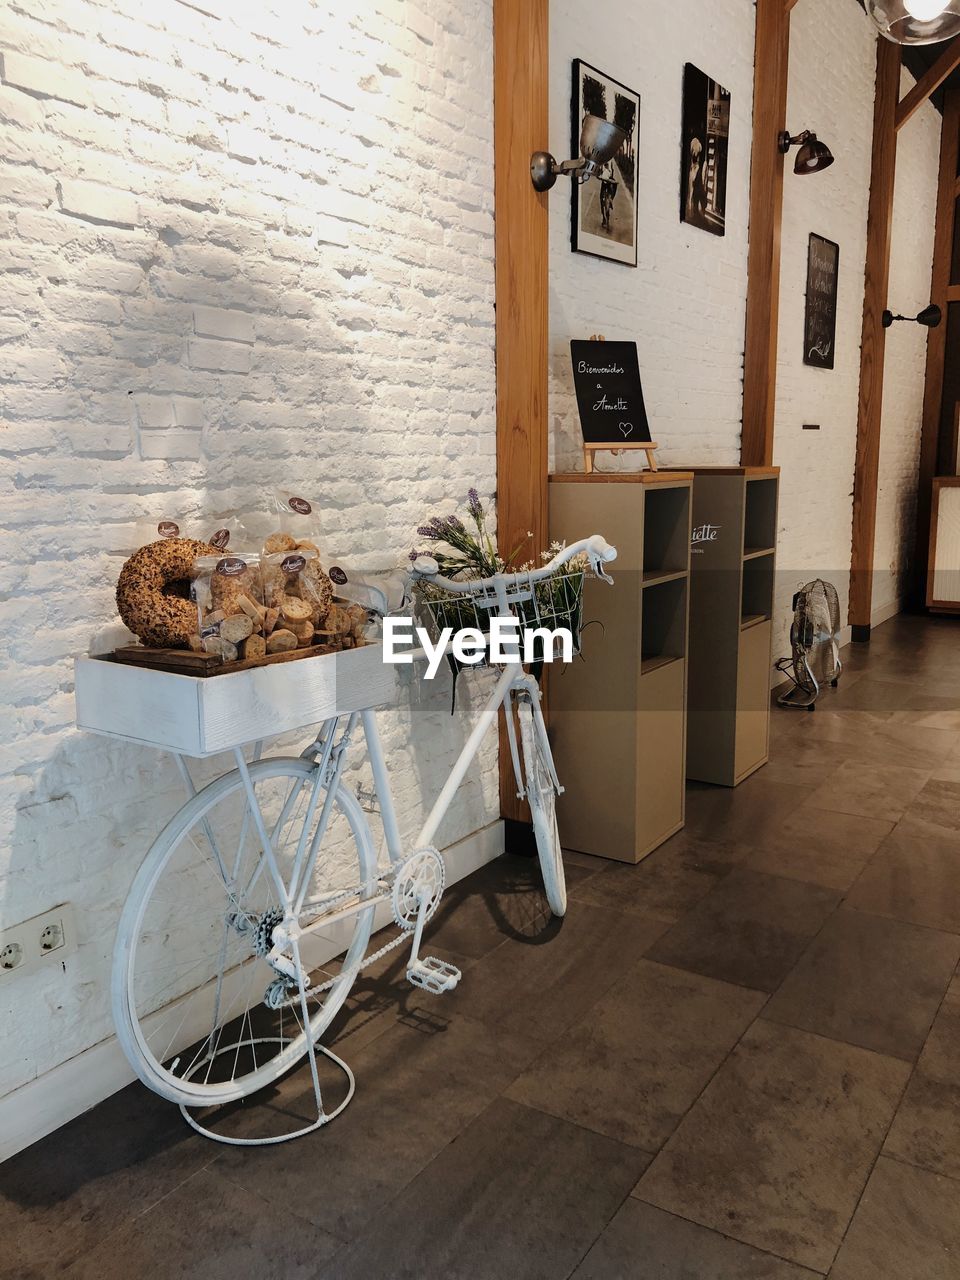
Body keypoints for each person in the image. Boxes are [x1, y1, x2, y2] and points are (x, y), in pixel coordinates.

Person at [599, 159, 618, 232]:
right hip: (604, 184)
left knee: (614, 186)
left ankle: (611, 199)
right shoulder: (603, 164)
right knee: (602, 200)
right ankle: (604, 218)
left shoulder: (611, 162)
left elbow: (612, 172)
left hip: (608, 183)